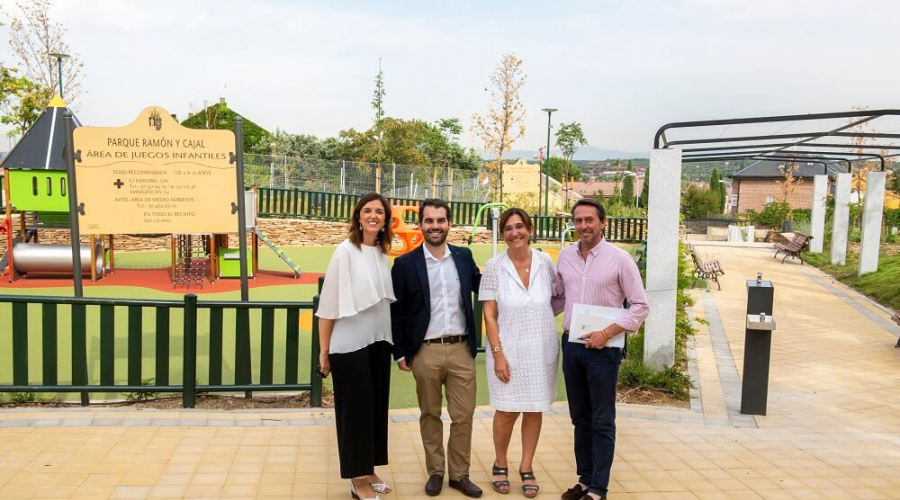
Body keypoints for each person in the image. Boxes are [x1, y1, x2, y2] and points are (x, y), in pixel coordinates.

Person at [553, 198, 649, 500]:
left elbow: (640, 306)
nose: (583, 226)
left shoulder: (620, 259)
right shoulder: (565, 257)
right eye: (578, 220)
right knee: (579, 418)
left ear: (602, 223)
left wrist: (607, 332)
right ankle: (584, 479)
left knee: (602, 420)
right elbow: (559, 300)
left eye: (589, 220)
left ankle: (598, 488)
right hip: (572, 346)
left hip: (604, 351)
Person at [390, 198, 483, 498]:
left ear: (449, 224)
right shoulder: (405, 264)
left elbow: (486, 288)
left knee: (463, 414)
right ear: (421, 225)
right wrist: (401, 352)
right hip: (425, 351)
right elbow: (397, 311)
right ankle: (436, 472)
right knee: (430, 414)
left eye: (440, 220)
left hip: (461, 349)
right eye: (429, 221)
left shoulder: (464, 256)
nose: (435, 226)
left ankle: (459, 474)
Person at [316, 192, 396, 500]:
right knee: (355, 412)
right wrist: (324, 351)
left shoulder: (380, 252)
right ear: (358, 216)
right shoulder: (345, 251)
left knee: (375, 408)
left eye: (379, 211)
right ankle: (357, 479)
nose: (373, 215)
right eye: (368, 210)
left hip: (377, 341)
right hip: (348, 345)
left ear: (386, 219)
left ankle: (371, 467)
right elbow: (329, 305)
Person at [479, 208, 559, 499]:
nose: (515, 233)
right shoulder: (494, 267)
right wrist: (499, 354)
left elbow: (557, 296)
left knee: (534, 408)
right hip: (507, 350)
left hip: (540, 348)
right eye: (508, 229)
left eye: (519, 227)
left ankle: (526, 466)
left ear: (530, 229)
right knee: (507, 409)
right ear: (503, 234)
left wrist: (542, 319)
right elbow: (489, 316)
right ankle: (500, 462)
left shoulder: (546, 262)